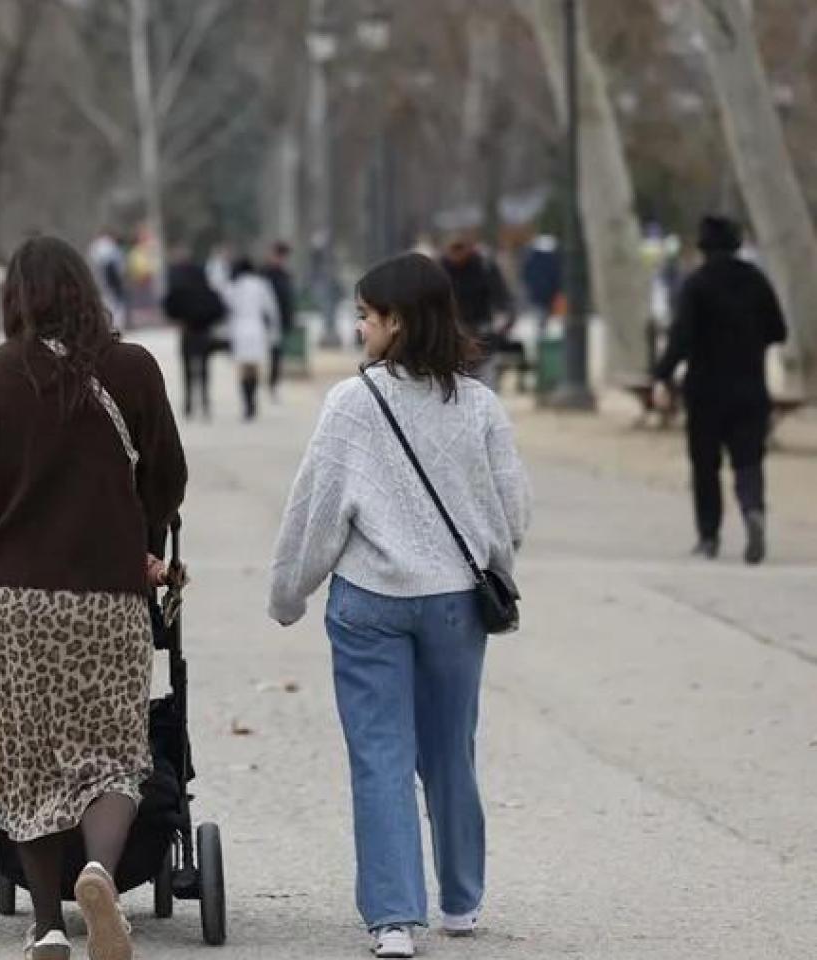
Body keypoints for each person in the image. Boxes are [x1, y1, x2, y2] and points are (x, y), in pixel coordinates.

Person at [269, 252, 530, 959]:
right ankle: (462, 898)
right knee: (450, 749)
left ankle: (392, 919)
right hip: (455, 602)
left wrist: (289, 592)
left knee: (380, 755)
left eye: (365, 316)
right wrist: (494, 565)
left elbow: (317, 512)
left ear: (397, 321)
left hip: (369, 602)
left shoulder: (352, 404)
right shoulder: (478, 403)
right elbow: (512, 509)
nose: (359, 329)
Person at [0, 235, 187, 960]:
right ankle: (98, 872)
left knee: (29, 755)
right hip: (108, 596)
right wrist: (137, 528)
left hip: (15, 599)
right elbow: (167, 479)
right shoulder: (134, 368)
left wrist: (1, 518)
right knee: (114, 750)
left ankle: (47, 925)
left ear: (15, 298)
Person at [653, 215, 787, 565]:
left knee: (705, 465)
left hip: (705, 390)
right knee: (748, 459)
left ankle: (709, 536)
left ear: (704, 247)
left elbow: (680, 339)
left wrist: (661, 374)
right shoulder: (757, 281)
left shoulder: (697, 284)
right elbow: (778, 331)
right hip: (750, 387)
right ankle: (753, 509)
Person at [160, 248, 227, 421]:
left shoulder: (181, 292)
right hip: (204, 333)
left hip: (187, 331)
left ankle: (189, 403)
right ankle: (204, 401)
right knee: (204, 369)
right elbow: (220, 310)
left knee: (187, 370)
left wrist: (179, 318)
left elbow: (168, 307)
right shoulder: (208, 293)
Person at [441, 238, 512, 389]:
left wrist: (504, 321)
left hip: (482, 331)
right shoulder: (440, 269)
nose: (457, 254)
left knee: (485, 378)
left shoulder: (483, 266)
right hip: (453, 335)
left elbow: (501, 296)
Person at [225, 257, 281, 421]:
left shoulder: (232, 287)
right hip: (256, 329)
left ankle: (247, 402)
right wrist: (274, 331)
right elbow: (271, 309)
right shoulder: (261, 285)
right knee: (255, 368)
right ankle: (253, 399)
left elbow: (227, 310)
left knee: (242, 369)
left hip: (239, 329)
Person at [261, 241, 297, 400]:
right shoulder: (264, 274)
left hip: (279, 320)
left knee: (276, 354)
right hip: (264, 320)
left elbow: (288, 300)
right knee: (262, 353)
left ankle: (272, 384)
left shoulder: (285, 275)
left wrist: (289, 319)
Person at [87, 229, 128, 331]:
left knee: (109, 301)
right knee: (115, 302)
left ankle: (111, 324)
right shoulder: (109, 246)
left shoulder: (96, 246)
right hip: (109, 275)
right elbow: (118, 265)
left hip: (102, 276)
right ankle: (116, 324)